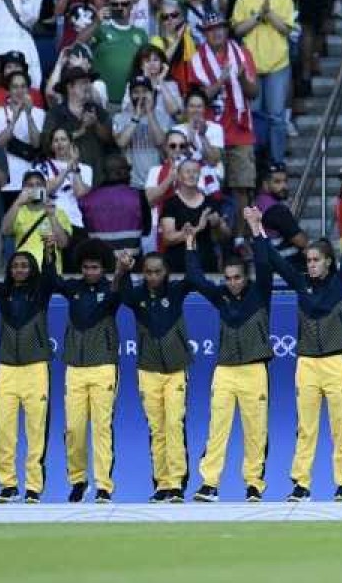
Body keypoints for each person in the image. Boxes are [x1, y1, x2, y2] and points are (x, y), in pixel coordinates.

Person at [263, 204, 342, 501]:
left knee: (341, 426)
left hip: (334, 362)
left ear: (329, 262)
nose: (311, 264)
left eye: (316, 260)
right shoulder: (301, 283)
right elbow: (275, 260)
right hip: (306, 364)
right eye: (308, 260)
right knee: (306, 427)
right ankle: (301, 484)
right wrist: (256, 228)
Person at [180, 211, 274, 503]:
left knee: (256, 432)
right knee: (216, 429)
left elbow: (265, 264)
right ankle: (209, 484)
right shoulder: (220, 295)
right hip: (224, 372)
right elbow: (195, 278)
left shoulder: (260, 293)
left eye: (237, 278)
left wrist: (256, 231)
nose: (232, 282)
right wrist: (190, 244)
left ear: (246, 278)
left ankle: (254, 484)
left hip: (254, 370)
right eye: (228, 278)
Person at [0, 231, 56, 502]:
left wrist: (50, 250)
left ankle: (33, 487)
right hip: (7, 371)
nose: (19, 270)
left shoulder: (40, 295)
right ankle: (7, 485)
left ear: (32, 269)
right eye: (15, 265)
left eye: (24, 266)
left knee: (36, 431)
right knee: (3, 431)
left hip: (36, 370)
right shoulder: (2, 295)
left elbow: (51, 277)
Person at [121, 236, 198, 502]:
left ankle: (177, 482)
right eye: (148, 272)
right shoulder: (137, 296)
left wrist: (190, 246)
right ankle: (161, 484)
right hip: (148, 370)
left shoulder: (176, 291)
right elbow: (120, 292)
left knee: (174, 424)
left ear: (166, 273)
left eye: (157, 272)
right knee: (158, 428)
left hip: (176, 370)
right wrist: (123, 269)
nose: (153, 276)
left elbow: (196, 277)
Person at [57, 240, 131, 502]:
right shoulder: (73, 288)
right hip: (75, 369)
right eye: (87, 268)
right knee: (74, 430)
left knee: (101, 428)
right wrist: (48, 250)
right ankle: (78, 480)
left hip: (103, 367)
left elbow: (118, 293)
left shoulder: (110, 288)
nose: (91, 272)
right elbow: (49, 278)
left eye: (96, 268)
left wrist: (122, 271)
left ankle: (104, 486)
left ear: (103, 268)